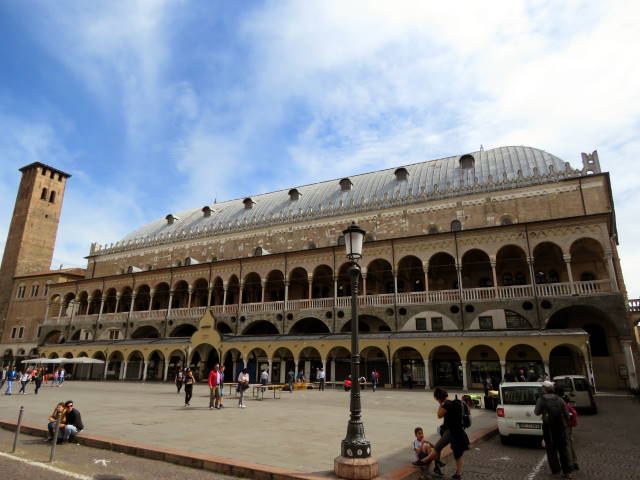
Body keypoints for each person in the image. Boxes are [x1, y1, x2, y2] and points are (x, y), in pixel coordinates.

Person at [421, 388, 469, 479]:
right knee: (457, 453)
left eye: (436, 398)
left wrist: (440, 404)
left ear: (438, 397)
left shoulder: (446, 404)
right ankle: (457, 473)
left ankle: (424, 461)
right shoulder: (455, 401)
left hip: (452, 431)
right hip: (458, 430)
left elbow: (439, 415)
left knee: (438, 447)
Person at [534, 381, 572, 478]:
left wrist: (544, 411)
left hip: (548, 427)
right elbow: (566, 414)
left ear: (544, 389)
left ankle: (556, 470)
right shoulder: (559, 399)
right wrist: (567, 424)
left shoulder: (541, 400)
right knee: (562, 449)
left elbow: (536, 412)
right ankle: (567, 471)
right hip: (559, 427)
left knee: (551, 449)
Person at [555, 386, 579, 472]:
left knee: (566, 445)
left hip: (565, 425)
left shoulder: (560, 401)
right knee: (570, 443)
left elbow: (564, 414)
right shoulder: (565, 398)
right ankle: (575, 462)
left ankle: (569, 464)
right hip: (569, 425)